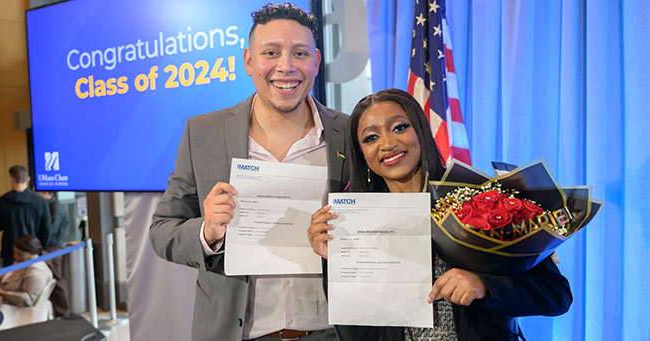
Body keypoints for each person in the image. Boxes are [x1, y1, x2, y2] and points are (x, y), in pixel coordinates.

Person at [149, 3, 349, 340]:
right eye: (271, 52)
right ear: (249, 61)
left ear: (315, 62)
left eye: (299, 53)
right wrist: (208, 231)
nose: (285, 67)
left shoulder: (349, 131)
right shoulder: (203, 133)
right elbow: (161, 231)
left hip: (333, 333)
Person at [307, 89, 572, 341]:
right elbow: (357, 331)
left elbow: (556, 295)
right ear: (361, 154)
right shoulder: (354, 221)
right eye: (371, 137)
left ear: (420, 131)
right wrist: (337, 261)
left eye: (399, 127)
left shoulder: (477, 200)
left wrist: (484, 286)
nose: (387, 143)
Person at [0, 165, 51, 267]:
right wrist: (40, 248)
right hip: (32, 252)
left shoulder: (2, 202)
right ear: (28, 179)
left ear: (11, 179)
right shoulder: (40, 201)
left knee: (10, 281)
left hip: (11, 253)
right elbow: (47, 229)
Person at [0, 235, 54, 307]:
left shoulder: (36, 272)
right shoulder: (23, 261)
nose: (15, 256)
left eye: (19, 254)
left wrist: (1, 293)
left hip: (16, 311)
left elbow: (29, 300)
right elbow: (8, 274)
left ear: (31, 253)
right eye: (14, 253)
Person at [36, 191, 70, 317]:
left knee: (57, 280)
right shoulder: (49, 205)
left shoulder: (55, 207)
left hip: (53, 248)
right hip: (51, 247)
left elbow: (51, 231)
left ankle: (63, 313)